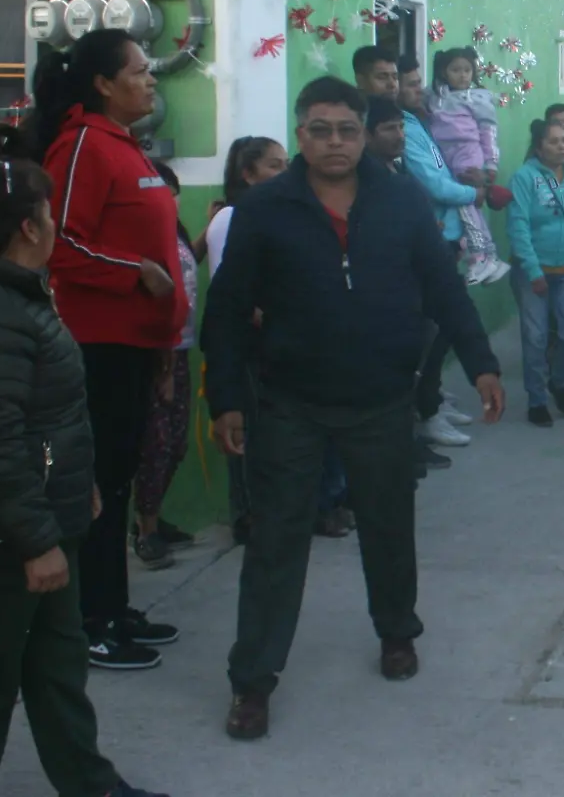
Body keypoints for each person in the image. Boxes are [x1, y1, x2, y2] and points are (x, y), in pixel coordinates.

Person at [204, 76, 505, 741]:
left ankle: (397, 633)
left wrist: (481, 361)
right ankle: (252, 683)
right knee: (276, 547)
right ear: (301, 133)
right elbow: (224, 312)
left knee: (389, 529)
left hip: (380, 401)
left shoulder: (401, 200)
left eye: (346, 129)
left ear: (364, 132)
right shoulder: (266, 209)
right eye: (319, 129)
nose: (334, 142)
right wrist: (224, 397)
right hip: (289, 403)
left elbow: (442, 289)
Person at [0, 129, 170, 797]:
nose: (57, 226)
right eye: (51, 216)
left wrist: (74, 488)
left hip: (33, 523)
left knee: (56, 670)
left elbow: (46, 416)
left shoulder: (13, 290)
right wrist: (34, 540)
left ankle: (91, 784)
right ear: (28, 228)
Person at [33, 27, 188, 672]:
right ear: (103, 84)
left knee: (117, 483)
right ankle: (88, 624)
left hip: (137, 344)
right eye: (139, 70)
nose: (151, 79)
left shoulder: (127, 147)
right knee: (95, 488)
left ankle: (113, 607)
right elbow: (62, 244)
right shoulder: (82, 148)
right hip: (98, 344)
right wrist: (136, 274)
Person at [398, 62, 511, 453]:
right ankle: (425, 413)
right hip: (434, 234)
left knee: (443, 328)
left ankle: (432, 402)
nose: (419, 89)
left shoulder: (421, 121)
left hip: (446, 235)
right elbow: (431, 182)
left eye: (418, 82)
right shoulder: (401, 128)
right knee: (431, 330)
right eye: (411, 84)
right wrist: (472, 194)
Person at [204, 136, 290, 544]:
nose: (284, 172)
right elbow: (232, 294)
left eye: (286, 163)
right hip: (247, 345)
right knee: (246, 433)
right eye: (274, 165)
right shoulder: (231, 217)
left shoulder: (276, 214)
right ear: (248, 173)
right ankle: (248, 517)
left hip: (276, 345)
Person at [506, 119, 564, 426]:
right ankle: (537, 400)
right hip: (532, 273)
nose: (561, 146)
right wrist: (533, 271)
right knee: (535, 337)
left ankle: (558, 381)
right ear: (538, 147)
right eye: (553, 141)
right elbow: (518, 226)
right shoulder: (524, 178)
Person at [131, 162, 199, 570]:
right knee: (156, 446)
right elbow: (155, 304)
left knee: (177, 446)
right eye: (163, 192)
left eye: (174, 192)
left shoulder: (176, 234)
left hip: (182, 350)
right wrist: (164, 368)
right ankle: (146, 531)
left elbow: (187, 277)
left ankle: (151, 518)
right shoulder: (145, 240)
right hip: (159, 354)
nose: (171, 200)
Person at [428, 47, 510, 286]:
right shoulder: (436, 95)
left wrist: (491, 165)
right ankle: (490, 257)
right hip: (445, 156)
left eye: (467, 70)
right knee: (462, 205)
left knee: (465, 203)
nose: (462, 75)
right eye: (455, 70)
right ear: (444, 72)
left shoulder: (478, 98)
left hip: (467, 154)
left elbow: (488, 133)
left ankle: (479, 255)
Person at [366, 96, 408, 170]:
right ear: (367, 135)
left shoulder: (399, 168)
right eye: (390, 128)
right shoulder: (369, 176)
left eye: (401, 127)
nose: (400, 136)